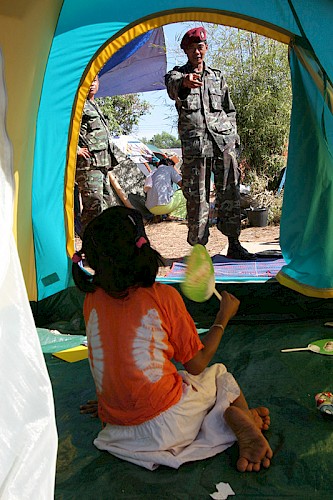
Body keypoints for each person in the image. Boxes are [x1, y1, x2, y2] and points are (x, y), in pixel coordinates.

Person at [72, 206, 273, 472]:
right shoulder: (163, 297)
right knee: (219, 376)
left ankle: (232, 419)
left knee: (179, 382)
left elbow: (116, 354)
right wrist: (223, 318)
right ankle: (244, 423)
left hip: (117, 430)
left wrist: (110, 400)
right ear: (142, 247)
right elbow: (197, 363)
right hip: (167, 426)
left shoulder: (91, 299)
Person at [165, 27, 255, 260]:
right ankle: (199, 250)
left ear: (206, 48)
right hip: (196, 147)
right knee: (197, 199)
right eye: (193, 47)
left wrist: (232, 139)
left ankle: (234, 243)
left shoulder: (217, 76)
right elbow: (174, 89)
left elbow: (229, 109)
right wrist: (185, 82)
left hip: (222, 144)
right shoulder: (176, 75)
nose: (198, 51)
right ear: (185, 50)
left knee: (230, 194)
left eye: (201, 46)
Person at [75, 75, 118, 236]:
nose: (91, 85)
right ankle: (89, 247)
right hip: (88, 166)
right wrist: (76, 149)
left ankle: (103, 247)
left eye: (94, 81)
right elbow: (63, 130)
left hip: (102, 164)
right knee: (93, 207)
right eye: (88, 81)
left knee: (105, 206)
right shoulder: (78, 105)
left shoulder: (93, 105)